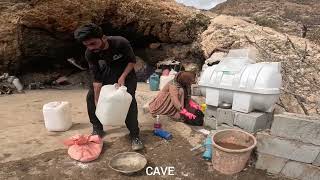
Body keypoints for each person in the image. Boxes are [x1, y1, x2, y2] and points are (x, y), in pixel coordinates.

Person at [74, 23, 143, 151]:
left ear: (103, 38)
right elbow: (96, 81)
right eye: (87, 45)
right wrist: (97, 100)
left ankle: (135, 135)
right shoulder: (90, 53)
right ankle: (97, 128)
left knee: (128, 100)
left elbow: (132, 61)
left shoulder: (120, 42)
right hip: (106, 72)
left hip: (126, 73)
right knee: (90, 97)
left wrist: (122, 77)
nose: (90, 47)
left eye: (93, 43)